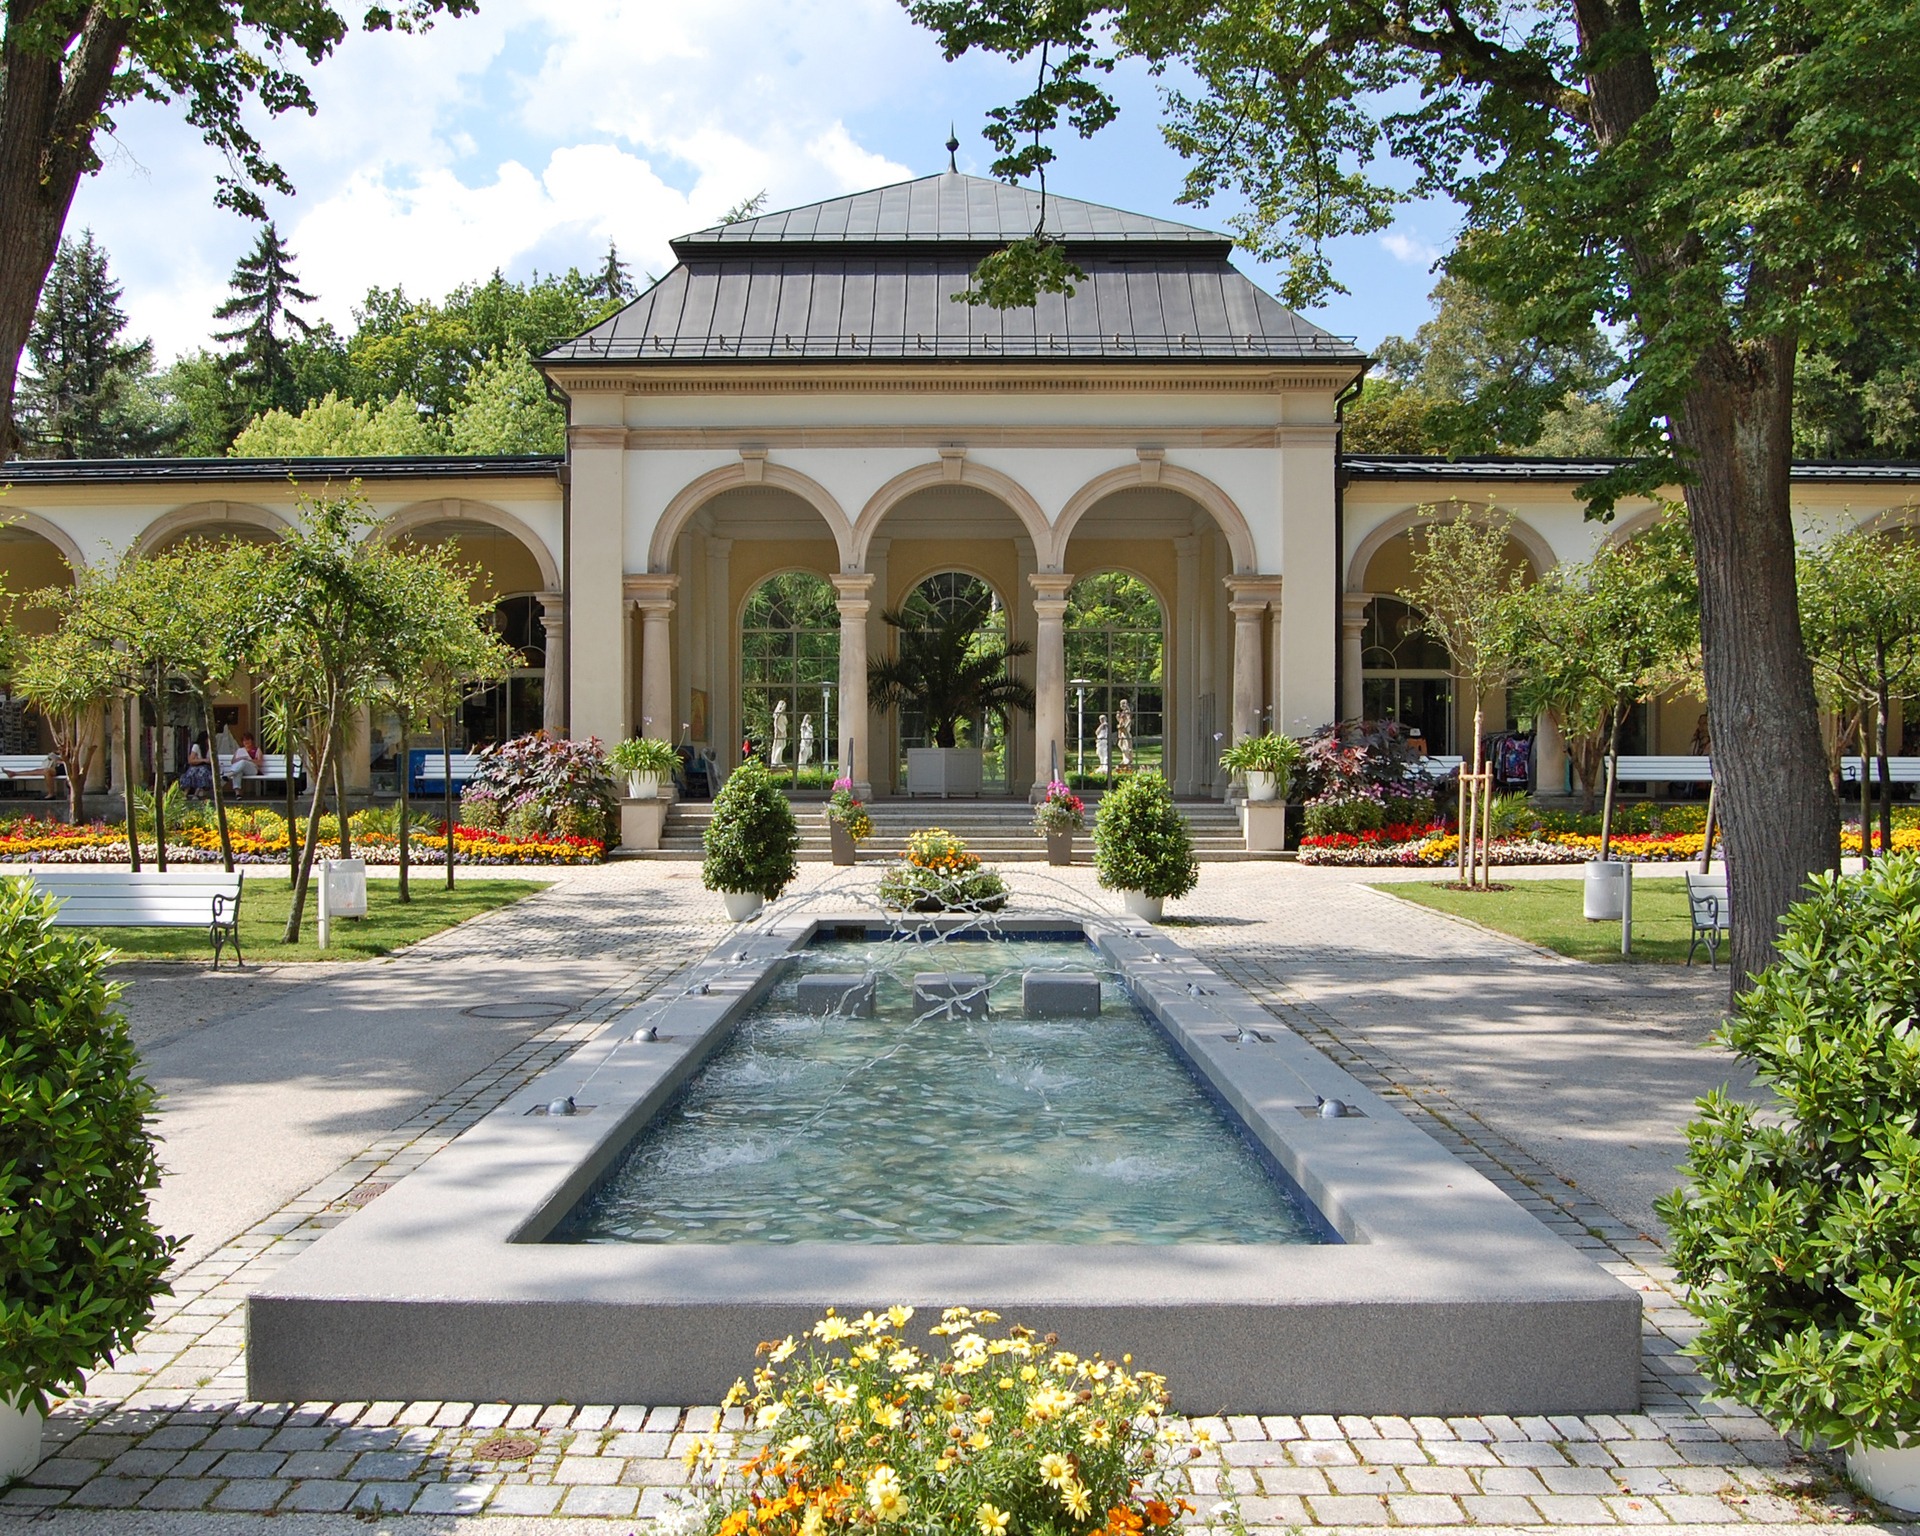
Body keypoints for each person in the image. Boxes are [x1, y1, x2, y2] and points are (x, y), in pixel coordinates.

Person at [179, 733, 215, 799]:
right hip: (196, 766)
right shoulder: (196, 746)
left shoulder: (211, 748)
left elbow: (210, 760)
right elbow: (191, 761)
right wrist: (203, 760)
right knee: (191, 772)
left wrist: (198, 759)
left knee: (202, 773)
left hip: (206, 767)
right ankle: (185, 793)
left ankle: (196, 794)